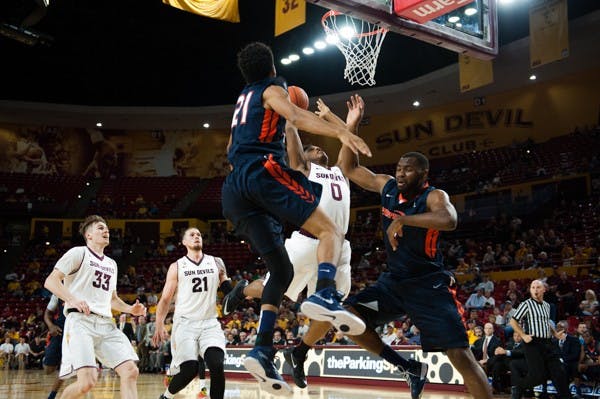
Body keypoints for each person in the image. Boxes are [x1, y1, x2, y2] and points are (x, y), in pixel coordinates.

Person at [221, 41, 371, 394]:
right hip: (262, 172)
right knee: (330, 230)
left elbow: (230, 149)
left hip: (234, 188)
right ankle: (324, 295)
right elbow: (296, 116)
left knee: (282, 271)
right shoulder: (271, 88)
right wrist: (339, 130)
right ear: (271, 66)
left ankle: (261, 349)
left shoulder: (242, 99)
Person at [338, 144, 493, 399]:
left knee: (459, 356)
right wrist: (349, 130)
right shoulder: (387, 187)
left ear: (423, 174)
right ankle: (407, 368)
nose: (400, 174)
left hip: (428, 286)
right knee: (348, 316)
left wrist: (403, 219)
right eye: (399, 169)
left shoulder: (433, 196)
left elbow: (449, 220)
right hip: (394, 284)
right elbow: (349, 168)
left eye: (408, 170)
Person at [44, 215, 146, 399]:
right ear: (88, 235)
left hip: (106, 324)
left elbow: (112, 299)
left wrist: (130, 309)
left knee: (130, 371)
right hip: (80, 322)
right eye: (100, 228)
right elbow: (51, 281)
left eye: (106, 228)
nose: (106, 231)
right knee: (87, 382)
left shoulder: (111, 264)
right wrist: (72, 299)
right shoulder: (78, 253)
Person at [152, 227, 229, 399]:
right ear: (184, 242)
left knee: (216, 364)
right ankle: (166, 397)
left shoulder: (216, 262)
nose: (197, 237)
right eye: (192, 235)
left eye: (199, 235)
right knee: (190, 369)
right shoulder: (177, 266)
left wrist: (240, 293)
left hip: (210, 323)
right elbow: (165, 300)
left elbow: (227, 287)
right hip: (185, 324)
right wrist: (159, 325)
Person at [509, 279, 570, 399]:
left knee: (559, 373)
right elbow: (513, 321)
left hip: (547, 343)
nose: (535, 290)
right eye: (533, 287)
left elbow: (546, 322)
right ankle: (519, 386)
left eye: (538, 287)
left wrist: (555, 334)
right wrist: (523, 335)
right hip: (533, 343)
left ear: (544, 289)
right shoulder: (526, 304)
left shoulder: (547, 306)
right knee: (537, 376)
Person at [44, 294, 66, 399]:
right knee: (48, 369)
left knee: (65, 366)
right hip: (59, 330)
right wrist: (51, 326)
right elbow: (47, 313)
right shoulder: (58, 291)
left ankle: (52, 396)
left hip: (76, 331)